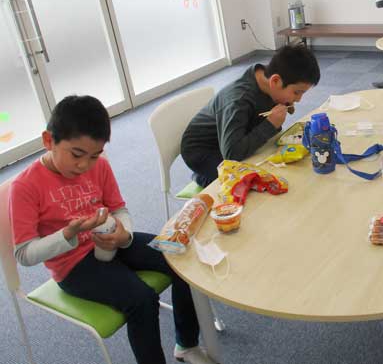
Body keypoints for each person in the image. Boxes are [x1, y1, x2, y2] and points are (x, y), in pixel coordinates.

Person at [10, 96, 207, 364]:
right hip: (72, 265)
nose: (84, 165)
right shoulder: (26, 186)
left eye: (94, 155)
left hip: (110, 240)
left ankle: (186, 344)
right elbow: (24, 254)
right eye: (76, 154)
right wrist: (68, 235)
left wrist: (124, 234)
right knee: (142, 300)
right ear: (48, 140)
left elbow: (119, 209)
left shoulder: (99, 166)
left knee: (181, 257)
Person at [181, 44, 320, 188]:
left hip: (232, 136)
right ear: (275, 81)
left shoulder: (267, 79)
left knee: (272, 161)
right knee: (250, 182)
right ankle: (203, 178)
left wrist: (281, 107)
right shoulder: (238, 100)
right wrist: (270, 124)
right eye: (297, 92)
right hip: (203, 151)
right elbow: (232, 154)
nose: (299, 100)